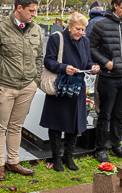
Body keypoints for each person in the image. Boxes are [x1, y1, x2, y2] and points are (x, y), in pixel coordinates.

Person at [0, 0, 42, 181]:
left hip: (27, 86)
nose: (34, 14)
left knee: (16, 126)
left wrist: (35, 81)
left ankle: (13, 162)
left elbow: (39, 57)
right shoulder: (0, 28)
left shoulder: (36, 29)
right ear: (19, 8)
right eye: (31, 10)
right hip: (5, 86)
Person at [41, 12, 98, 171]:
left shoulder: (85, 41)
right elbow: (48, 61)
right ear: (69, 26)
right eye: (77, 29)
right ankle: (56, 158)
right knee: (56, 123)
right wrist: (64, 68)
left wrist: (93, 67)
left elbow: (86, 62)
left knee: (75, 123)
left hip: (77, 87)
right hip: (61, 85)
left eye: (83, 29)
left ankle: (69, 156)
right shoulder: (57, 38)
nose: (80, 32)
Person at [88, 0, 122, 162]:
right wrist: (105, 62)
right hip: (108, 78)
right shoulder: (100, 25)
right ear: (114, 6)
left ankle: (116, 145)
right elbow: (90, 47)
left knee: (119, 114)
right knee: (105, 115)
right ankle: (100, 148)